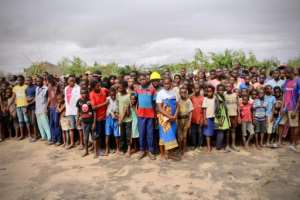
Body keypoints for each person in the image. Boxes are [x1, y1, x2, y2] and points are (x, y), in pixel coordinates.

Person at [156, 77, 179, 160]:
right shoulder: (160, 93)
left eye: (168, 83)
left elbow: (177, 105)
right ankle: (163, 154)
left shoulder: (175, 92)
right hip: (164, 118)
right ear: (163, 84)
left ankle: (169, 153)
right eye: (165, 83)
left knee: (171, 134)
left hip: (173, 118)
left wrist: (175, 115)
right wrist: (169, 116)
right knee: (163, 135)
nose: (167, 85)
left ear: (171, 83)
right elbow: (159, 108)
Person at [135, 74, 156, 160]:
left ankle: (150, 151)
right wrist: (136, 111)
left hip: (150, 114)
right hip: (140, 115)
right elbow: (134, 101)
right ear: (139, 81)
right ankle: (142, 150)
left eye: (144, 79)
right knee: (142, 133)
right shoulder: (137, 89)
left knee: (150, 133)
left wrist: (154, 113)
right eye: (141, 79)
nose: (143, 81)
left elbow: (154, 102)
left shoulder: (152, 89)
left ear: (147, 80)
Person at [279, 67, 300, 151]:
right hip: (285, 107)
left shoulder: (298, 81)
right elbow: (284, 95)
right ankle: (279, 142)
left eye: (286, 73)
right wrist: (282, 107)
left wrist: (295, 110)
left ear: (291, 72)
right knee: (281, 124)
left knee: (293, 126)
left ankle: (293, 144)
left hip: (293, 107)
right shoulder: (286, 81)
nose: (285, 75)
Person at [89, 80, 109, 157]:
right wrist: (105, 103)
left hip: (105, 116)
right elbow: (94, 107)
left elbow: (110, 91)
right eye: (97, 86)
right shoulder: (92, 94)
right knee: (97, 135)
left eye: (99, 85)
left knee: (104, 134)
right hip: (97, 118)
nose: (99, 87)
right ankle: (98, 150)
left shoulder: (103, 90)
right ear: (93, 87)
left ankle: (103, 148)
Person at [76, 89, 96, 157]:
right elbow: (78, 111)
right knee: (86, 137)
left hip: (91, 121)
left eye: (85, 93)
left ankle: (95, 151)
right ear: (80, 94)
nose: (83, 95)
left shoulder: (90, 100)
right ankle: (86, 151)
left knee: (94, 137)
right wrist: (77, 120)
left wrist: (94, 122)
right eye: (82, 93)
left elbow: (94, 112)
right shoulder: (79, 101)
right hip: (84, 122)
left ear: (87, 93)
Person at [11, 75, 30, 140]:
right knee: (20, 121)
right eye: (18, 80)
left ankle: (29, 135)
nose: (19, 81)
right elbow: (13, 97)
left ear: (23, 80)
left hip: (25, 106)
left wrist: (28, 104)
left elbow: (28, 96)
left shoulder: (26, 87)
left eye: (20, 80)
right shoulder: (15, 88)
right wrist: (9, 105)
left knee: (27, 121)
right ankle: (22, 135)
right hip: (18, 106)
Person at [64, 75, 81, 149]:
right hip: (69, 111)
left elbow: (80, 100)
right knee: (71, 128)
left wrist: (80, 112)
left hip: (77, 111)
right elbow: (66, 100)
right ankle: (72, 143)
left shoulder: (78, 88)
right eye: (70, 80)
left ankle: (81, 143)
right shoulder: (66, 88)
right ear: (67, 81)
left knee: (79, 128)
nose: (72, 82)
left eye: (73, 80)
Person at [116, 80, 132, 155]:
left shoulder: (128, 96)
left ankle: (129, 149)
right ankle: (123, 149)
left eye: (121, 88)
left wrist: (121, 119)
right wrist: (117, 115)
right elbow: (117, 105)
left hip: (127, 119)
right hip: (120, 118)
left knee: (128, 134)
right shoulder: (118, 95)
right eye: (118, 88)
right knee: (122, 135)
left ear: (125, 87)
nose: (119, 89)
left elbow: (126, 109)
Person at [177, 86, 193, 155]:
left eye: (184, 92)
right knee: (179, 136)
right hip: (179, 120)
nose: (183, 93)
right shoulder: (178, 101)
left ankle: (184, 148)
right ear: (179, 93)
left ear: (186, 93)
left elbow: (191, 111)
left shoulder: (188, 100)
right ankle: (180, 148)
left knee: (185, 136)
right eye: (182, 92)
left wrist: (189, 121)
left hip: (186, 119)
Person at [214, 84, 231, 152]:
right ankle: (219, 148)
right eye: (219, 90)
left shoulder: (222, 96)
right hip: (219, 117)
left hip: (223, 116)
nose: (220, 91)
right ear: (217, 90)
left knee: (222, 132)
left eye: (222, 90)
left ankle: (219, 146)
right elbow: (217, 108)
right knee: (220, 132)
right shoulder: (217, 97)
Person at [35, 76, 51, 143]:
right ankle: (43, 136)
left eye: (39, 81)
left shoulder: (46, 89)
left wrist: (46, 108)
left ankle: (49, 137)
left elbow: (48, 99)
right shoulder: (37, 88)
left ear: (42, 81)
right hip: (37, 109)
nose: (38, 82)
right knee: (40, 124)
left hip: (43, 109)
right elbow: (36, 98)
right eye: (37, 81)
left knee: (46, 124)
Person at [104, 87, 120, 156]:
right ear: (109, 94)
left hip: (116, 118)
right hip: (108, 118)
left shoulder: (118, 99)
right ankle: (107, 149)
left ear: (116, 93)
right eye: (111, 94)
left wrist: (117, 114)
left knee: (116, 134)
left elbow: (119, 108)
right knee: (107, 134)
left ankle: (118, 149)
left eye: (114, 94)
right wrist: (110, 113)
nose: (113, 96)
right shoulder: (107, 99)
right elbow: (106, 108)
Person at [224, 83, 239, 151]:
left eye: (229, 86)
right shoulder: (224, 94)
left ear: (232, 87)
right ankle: (227, 145)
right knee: (227, 131)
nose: (228, 87)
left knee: (233, 130)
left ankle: (233, 145)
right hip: (227, 115)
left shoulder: (235, 95)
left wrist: (239, 116)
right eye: (227, 86)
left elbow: (238, 105)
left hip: (234, 115)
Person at [48, 75, 61, 145]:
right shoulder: (49, 86)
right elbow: (49, 97)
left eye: (51, 80)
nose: (50, 82)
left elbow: (60, 97)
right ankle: (53, 139)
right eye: (49, 81)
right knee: (51, 123)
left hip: (56, 107)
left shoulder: (57, 86)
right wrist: (47, 106)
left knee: (56, 123)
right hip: (51, 107)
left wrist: (58, 106)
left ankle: (58, 140)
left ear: (53, 79)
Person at [190, 83, 204, 151]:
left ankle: (200, 145)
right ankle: (193, 145)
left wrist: (203, 118)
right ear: (193, 89)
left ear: (200, 89)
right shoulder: (191, 97)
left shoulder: (202, 98)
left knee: (200, 132)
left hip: (200, 118)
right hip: (193, 118)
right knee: (193, 132)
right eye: (195, 88)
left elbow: (204, 109)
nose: (196, 90)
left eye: (197, 88)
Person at [202, 85, 216, 152]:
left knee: (213, 132)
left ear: (213, 92)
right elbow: (204, 109)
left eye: (211, 91)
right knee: (207, 133)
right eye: (208, 91)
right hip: (208, 117)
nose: (209, 93)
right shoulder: (205, 99)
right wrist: (205, 119)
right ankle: (208, 147)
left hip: (215, 117)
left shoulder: (215, 98)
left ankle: (212, 144)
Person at [25, 76, 37, 141]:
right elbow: (27, 97)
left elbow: (36, 98)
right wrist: (28, 99)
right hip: (29, 108)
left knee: (34, 121)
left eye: (29, 80)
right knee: (30, 122)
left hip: (34, 107)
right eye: (27, 80)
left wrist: (30, 101)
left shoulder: (35, 88)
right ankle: (33, 135)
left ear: (32, 80)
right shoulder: (26, 89)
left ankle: (35, 136)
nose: (28, 81)